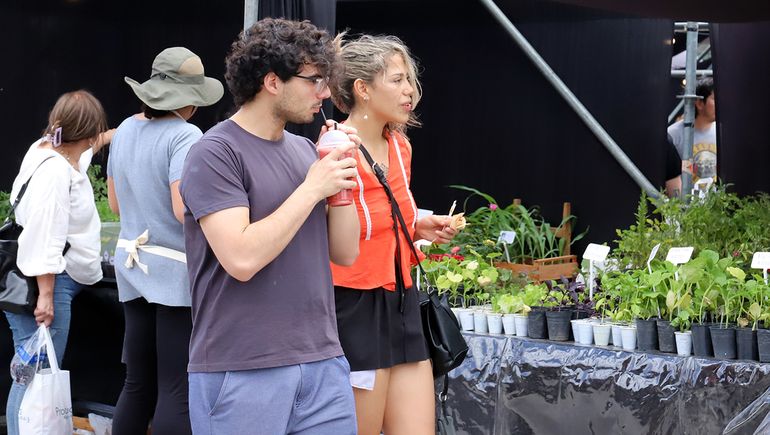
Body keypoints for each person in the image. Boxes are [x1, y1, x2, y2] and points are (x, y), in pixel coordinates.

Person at [179, 18, 360, 434]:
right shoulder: (215, 153)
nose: (326, 93)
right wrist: (314, 188)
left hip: (323, 362)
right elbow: (241, 258)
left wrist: (344, 181)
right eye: (315, 80)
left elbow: (345, 252)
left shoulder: (304, 151)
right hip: (241, 367)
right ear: (272, 81)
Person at [329, 34, 458, 435]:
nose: (410, 92)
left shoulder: (400, 146)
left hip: (402, 298)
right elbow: (335, 233)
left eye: (410, 81)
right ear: (362, 89)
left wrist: (420, 224)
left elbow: (388, 214)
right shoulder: (335, 148)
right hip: (354, 303)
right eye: (398, 80)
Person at [108, 47, 223, 435]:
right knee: (176, 388)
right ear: (190, 99)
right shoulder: (186, 134)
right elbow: (182, 208)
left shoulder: (124, 128)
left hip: (131, 267)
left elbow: (114, 203)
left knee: (137, 384)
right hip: (175, 271)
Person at [5, 90, 112, 435]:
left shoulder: (46, 150)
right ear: (86, 133)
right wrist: (47, 297)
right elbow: (46, 238)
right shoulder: (55, 175)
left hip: (46, 278)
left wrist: (124, 129)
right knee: (35, 375)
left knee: (29, 370)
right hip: (47, 283)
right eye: (96, 134)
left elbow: (82, 155)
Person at [667, 77, 717, 186]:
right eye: (714, 99)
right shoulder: (673, 134)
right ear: (699, 103)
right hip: (684, 200)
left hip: (717, 201)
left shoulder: (722, 133)